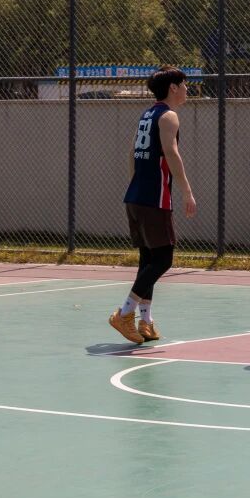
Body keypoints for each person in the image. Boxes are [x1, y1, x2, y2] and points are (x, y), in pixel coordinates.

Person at [109, 67, 197, 345]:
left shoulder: (147, 114)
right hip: (153, 198)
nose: (187, 89)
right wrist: (187, 191)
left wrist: (136, 183)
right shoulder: (169, 116)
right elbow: (171, 152)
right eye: (184, 84)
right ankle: (124, 313)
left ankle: (145, 320)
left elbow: (132, 151)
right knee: (163, 259)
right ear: (173, 87)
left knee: (149, 259)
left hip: (136, 196)